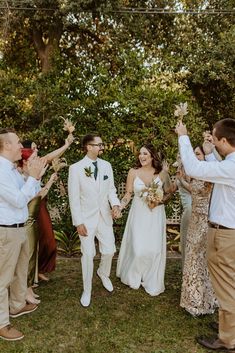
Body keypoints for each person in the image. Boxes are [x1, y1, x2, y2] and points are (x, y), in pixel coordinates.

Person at [175, 119, 235, 351]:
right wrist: (210, 154)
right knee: (225, 283)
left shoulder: (231, 166)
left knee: (227, 287)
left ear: (224, 140)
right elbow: (216, 172)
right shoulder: (229, 164)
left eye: (214, 137)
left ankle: (228, 339)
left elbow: (194, 169)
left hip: (226, 235)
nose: (212, 141)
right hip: (224, 232)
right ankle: (227, 326)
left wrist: (183, 135)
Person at [0, 128, 46, 341]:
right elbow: (19, 200)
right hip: (6, 231)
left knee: (20, 270)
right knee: (3, 279)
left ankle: (16, 305)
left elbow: (28, 193)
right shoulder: (0, 171)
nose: (22, 147)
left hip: (18, 228)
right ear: (6, 145)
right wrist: (32, 178)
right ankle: (2, 323)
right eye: (18, 142)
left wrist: (34, 175)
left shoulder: (10, 169)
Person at [68, 134, 120, 307]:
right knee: (88, 254)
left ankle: (103, 273)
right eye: (98, 145)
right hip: (86, 220)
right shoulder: (76, 168)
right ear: (88, 147)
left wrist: (115, 205)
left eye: (101, 144)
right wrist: (78, 222)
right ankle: (87, 289)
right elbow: (74, 198)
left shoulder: (107, 166)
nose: (101, 147)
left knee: (109, 250)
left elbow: (111, 189)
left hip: (104, 216)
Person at [116, 144, 172, 296]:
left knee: (153, 249)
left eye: (145, 153)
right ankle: (133, 275)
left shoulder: (162, 174)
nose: (141, 156)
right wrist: (119, 207)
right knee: (138, 249)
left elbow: (169, 192)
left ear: (152, 156)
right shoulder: (133, 172)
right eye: (140, 153)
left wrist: (159, 201)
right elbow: (128, 194)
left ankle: (150, 277)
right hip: (139, 214)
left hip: (156, 214)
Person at [22, 135, 73, 281]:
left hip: (41, 204)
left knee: (48, 240)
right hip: (29, 207)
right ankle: (31, 274)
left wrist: (66, 145)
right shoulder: (22, 166)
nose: (36, 149)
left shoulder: (38, 163)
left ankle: (40, 269)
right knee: (33, 242)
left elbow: (51, 156)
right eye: (33, 148)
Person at [180, 146, 217, 316]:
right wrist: (184, 181)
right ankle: (192, 299)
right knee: (192, 258)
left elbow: (205, 192)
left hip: (205, 221)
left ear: (205, 156)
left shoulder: (210, 174)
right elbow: (195, 191)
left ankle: (204, 300)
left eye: (197, 154)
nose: (194, 156)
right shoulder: (197, 173)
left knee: (201, 259)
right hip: (194, 220)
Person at [18, 147, 58, 304]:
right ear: (26, 162)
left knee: (32, 255)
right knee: (26, 258)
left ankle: (29, 288)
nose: (39, 160)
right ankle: (24, 291)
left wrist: (48, 180)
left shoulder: (30, 177)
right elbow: (31, 198)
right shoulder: (22, 179)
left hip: (32, 221)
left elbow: (40, 195)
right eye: (35, 158)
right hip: (25, 223)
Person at [172, 156, 192, 268]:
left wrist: (182, 179)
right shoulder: (179, 171)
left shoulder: (191, 170)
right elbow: (172, 189)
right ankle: (186, 269)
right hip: (187, 210)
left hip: (192, 208)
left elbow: (193, 189)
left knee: (190, 241)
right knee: (184, 241)